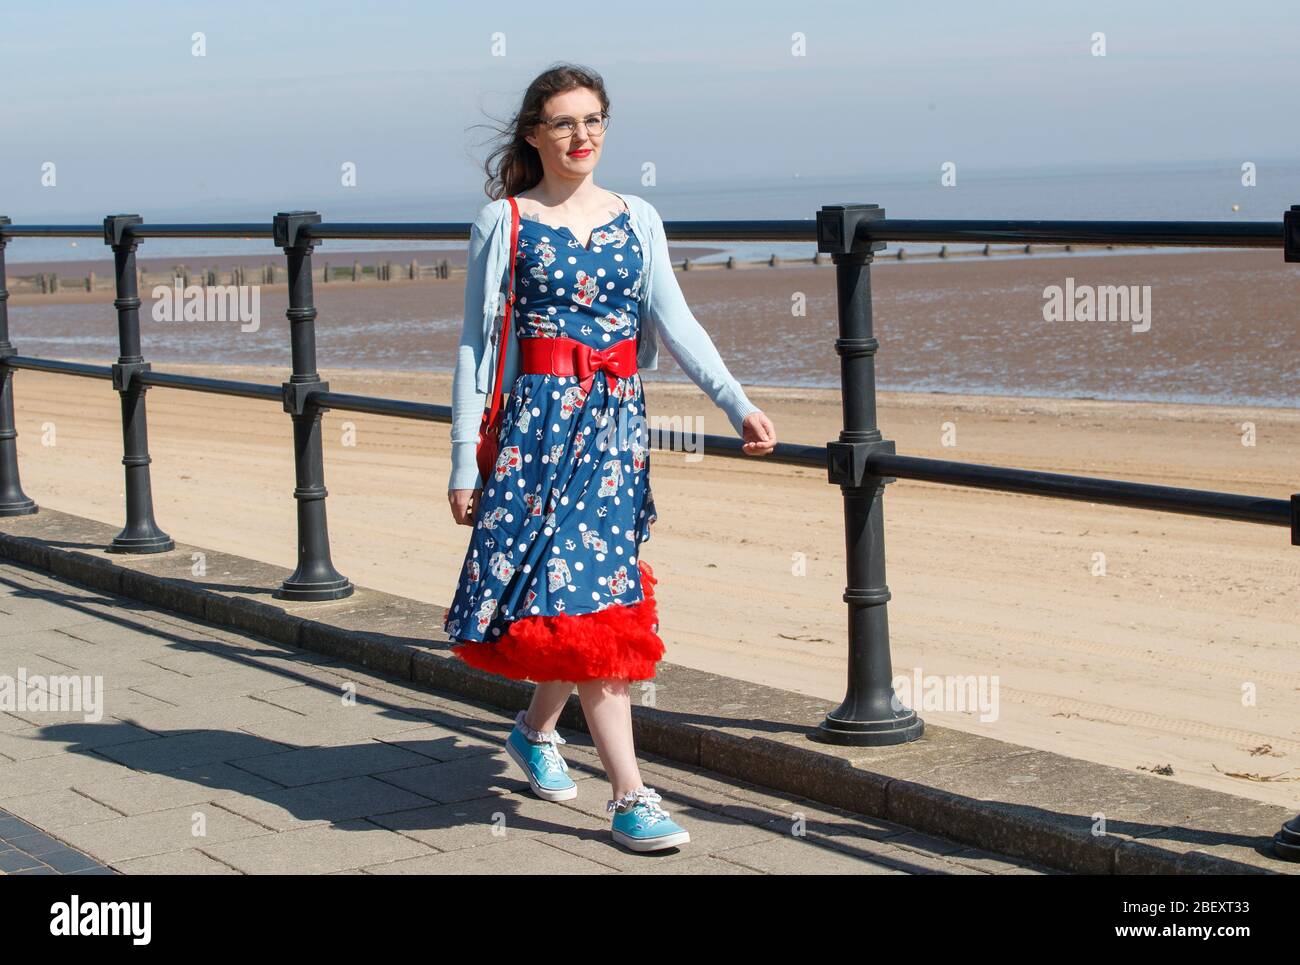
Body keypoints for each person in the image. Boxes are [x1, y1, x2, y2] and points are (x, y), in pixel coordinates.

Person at [443, 63, 778, 853]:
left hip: (615, 428)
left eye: (593, 120)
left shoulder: (639, 217)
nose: (581, 136)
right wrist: (464, 457)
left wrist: (736, 402)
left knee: (587, 593)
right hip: (535, 431)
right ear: (534, 133)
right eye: (562, 122)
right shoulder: (507, 221)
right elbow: (474, 345)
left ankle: (533, 732)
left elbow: (676, 321)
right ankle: (630, 794)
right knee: (581, 594)